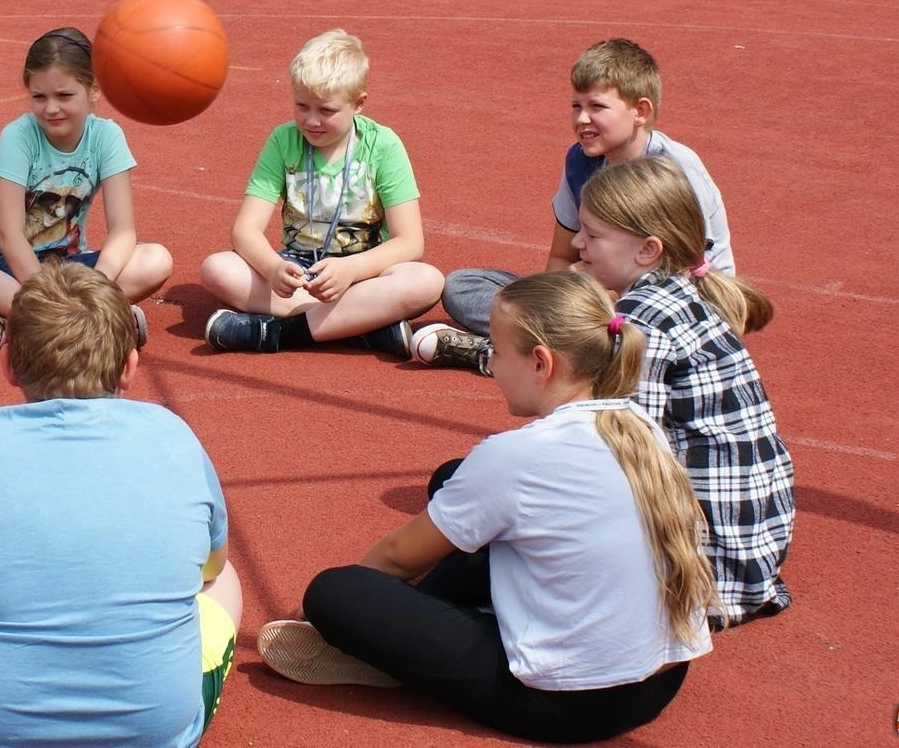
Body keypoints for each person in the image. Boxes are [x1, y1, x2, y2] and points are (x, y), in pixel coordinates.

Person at [259, 272, 715, 744]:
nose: (491, 365)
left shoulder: (518, 456)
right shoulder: (640, 426)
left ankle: (395, 655)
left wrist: (339, 622)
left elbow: (395, 557)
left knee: (338, 591)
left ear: (541, 362)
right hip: (663, 680)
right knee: (454, 483)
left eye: (495, 350)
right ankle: (429, 628)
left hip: (567, 704)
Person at [0, 261, 241, 748]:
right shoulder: (175, 436)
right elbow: (211, 568)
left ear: (7, 361)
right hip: (157, 735)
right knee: (224, 580)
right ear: (130, 364)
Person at [570, 154, 794, 624]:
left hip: (698, 577)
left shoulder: (641, 321)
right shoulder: (689, 295)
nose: (578, 242)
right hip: (749, 556)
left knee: (480, 494)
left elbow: (623, 453)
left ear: (647, 250)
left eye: (593, 235)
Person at [421, 38, 733, 369]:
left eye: (597, 107)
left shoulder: (675, 171)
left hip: (675, 305)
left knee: (624, 332)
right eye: (576, 106)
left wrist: (599, 294)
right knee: (462, 286)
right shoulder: (580, 161)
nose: (582, 119)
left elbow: (691, 274)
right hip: (598, 292)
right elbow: (561, 255)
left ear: (640, 111)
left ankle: (505, 352)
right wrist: (560, 299)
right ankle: (545, 346)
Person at [198, 28, 443, 356]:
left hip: (363, 273)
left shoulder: (382, 145)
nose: (311, 120)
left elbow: (410, 242)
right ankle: (359, 327)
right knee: (217, 269)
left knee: (426, 280)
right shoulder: (283, 141)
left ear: (359, 104)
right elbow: (245, 230)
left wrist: (351, 270)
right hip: (298, 271)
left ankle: (277, 334)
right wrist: (273, 268)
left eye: (326, 110)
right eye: (302, 106)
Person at [0, 26, 171, 351]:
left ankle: (23, 320)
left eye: (64, 96)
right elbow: (7, 233)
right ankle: (95, 320)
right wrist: (51, 294)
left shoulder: (107, 137)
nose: (51, 109)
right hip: (3, 267)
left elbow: (123, 231)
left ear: (93, 90)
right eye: (39, 97)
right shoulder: (18, 136)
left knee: (156, 259)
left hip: (69, 268)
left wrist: (98, 283)